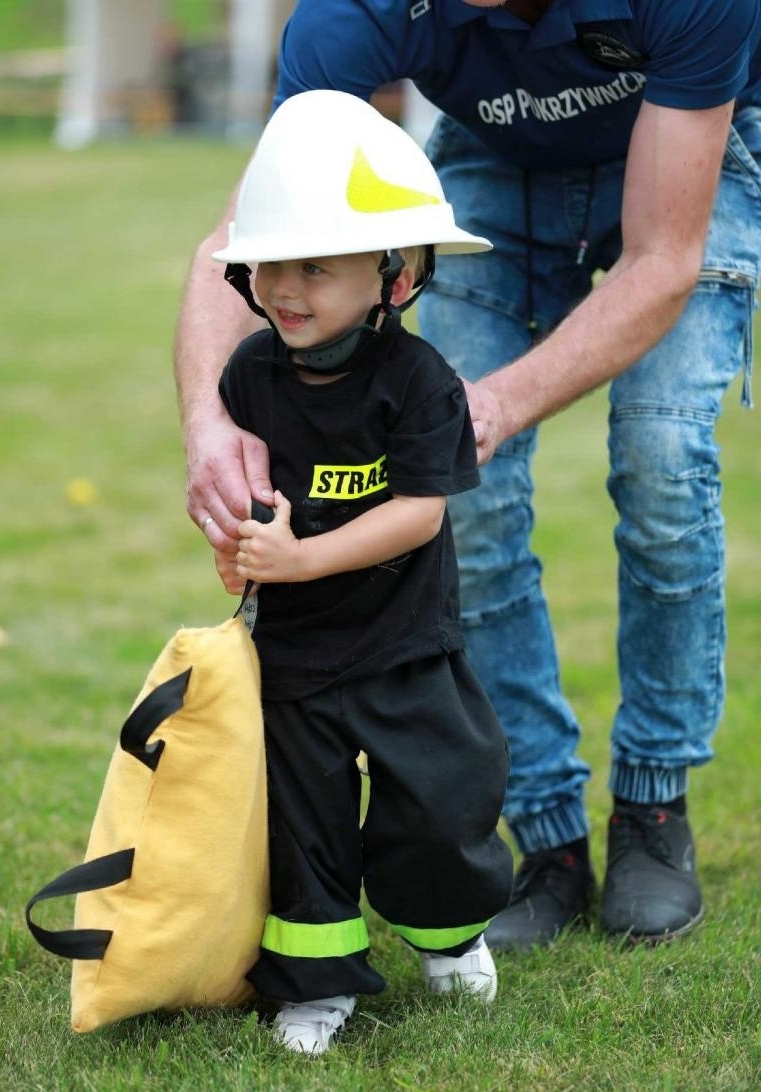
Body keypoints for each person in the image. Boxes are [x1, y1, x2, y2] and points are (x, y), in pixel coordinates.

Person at [175, 1, 761, 950]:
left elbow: (662, 261)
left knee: (662, 456)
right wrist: (208, 420)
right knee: (465, 500)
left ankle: (654, 807)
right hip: (492, 159)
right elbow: (244, 231)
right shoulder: (353, 12)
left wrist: (491, 407)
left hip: (694, 145)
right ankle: (545, 833)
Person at [209, 89, 513, 1055]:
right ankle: (317, 983)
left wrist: (299, 559)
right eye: (271, 263)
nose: (285, 287)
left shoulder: (420, 384)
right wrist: (239, 547)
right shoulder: (249, 374)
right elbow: (248, 491)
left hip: (406, 643)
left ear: (396, 277)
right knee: (305, 824)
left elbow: (419, 515)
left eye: (316, 266)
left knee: (442, 804)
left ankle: (447, 933)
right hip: (297, 656)